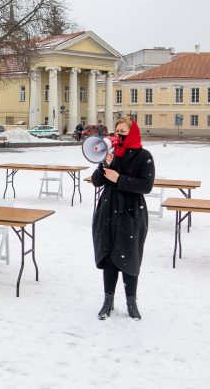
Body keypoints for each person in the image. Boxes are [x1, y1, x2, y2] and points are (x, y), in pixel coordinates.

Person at [91, 115, 155, 321]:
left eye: (123, 132)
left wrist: (120, 179)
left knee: (130, 258)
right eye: (116, 132)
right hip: (108, 211)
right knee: (109, 257)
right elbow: (97, 181)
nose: (118, 136)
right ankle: (107, 302)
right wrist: (104, 165)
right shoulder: (110, 153)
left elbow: (146, 185)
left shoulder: (144, 156)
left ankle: (131, 303)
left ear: (133, 133)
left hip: (131, 212)